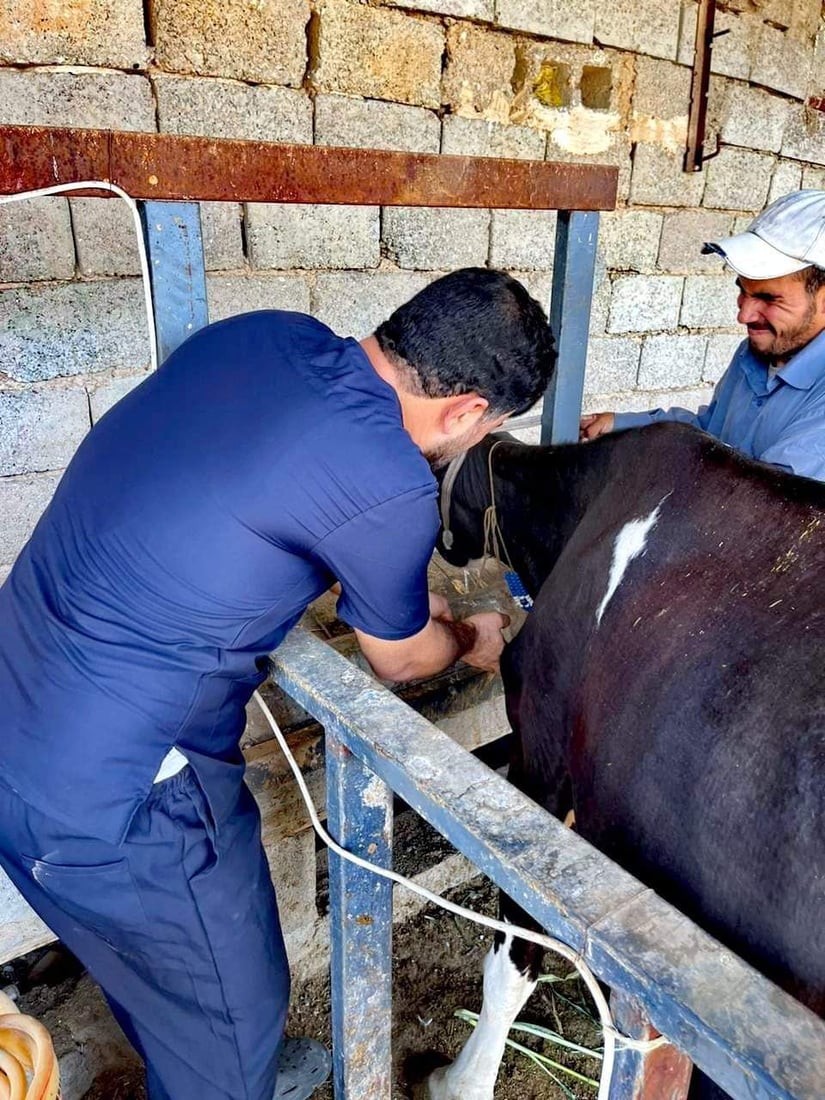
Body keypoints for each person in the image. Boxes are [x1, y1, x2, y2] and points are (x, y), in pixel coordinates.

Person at [0, 268, 555, 1100]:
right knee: (235, 1011)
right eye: (486, 432)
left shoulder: (263, 334)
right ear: (469, 411)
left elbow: (252, 498)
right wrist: (465, 635)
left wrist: (393, 588)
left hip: (20, 703)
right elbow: (399, 659)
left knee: (155, 971)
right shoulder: (392, 487)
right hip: (119, 799)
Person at [580, 189, 825, 481]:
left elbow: (764, 504)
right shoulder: (757, 353)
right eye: (742, 291)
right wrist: (621, 426)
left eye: (770, 299)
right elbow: (711, 434)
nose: (744, 315)